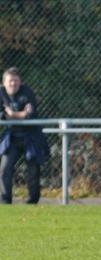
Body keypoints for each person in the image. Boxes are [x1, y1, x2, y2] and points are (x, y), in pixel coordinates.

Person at [0, 67, 48, 204]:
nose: (13, 84)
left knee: (32, 169)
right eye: (10, 81)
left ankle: (32, 201)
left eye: (16, 81)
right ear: (4, 82)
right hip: (12, 136)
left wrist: (11, 114)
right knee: (4, 168)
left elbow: (28, 116)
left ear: (20, 82)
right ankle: (4, 201)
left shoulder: (27, 92)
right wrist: (16, 115)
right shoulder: (1, 92)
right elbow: (2, 116)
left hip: (30, 135)